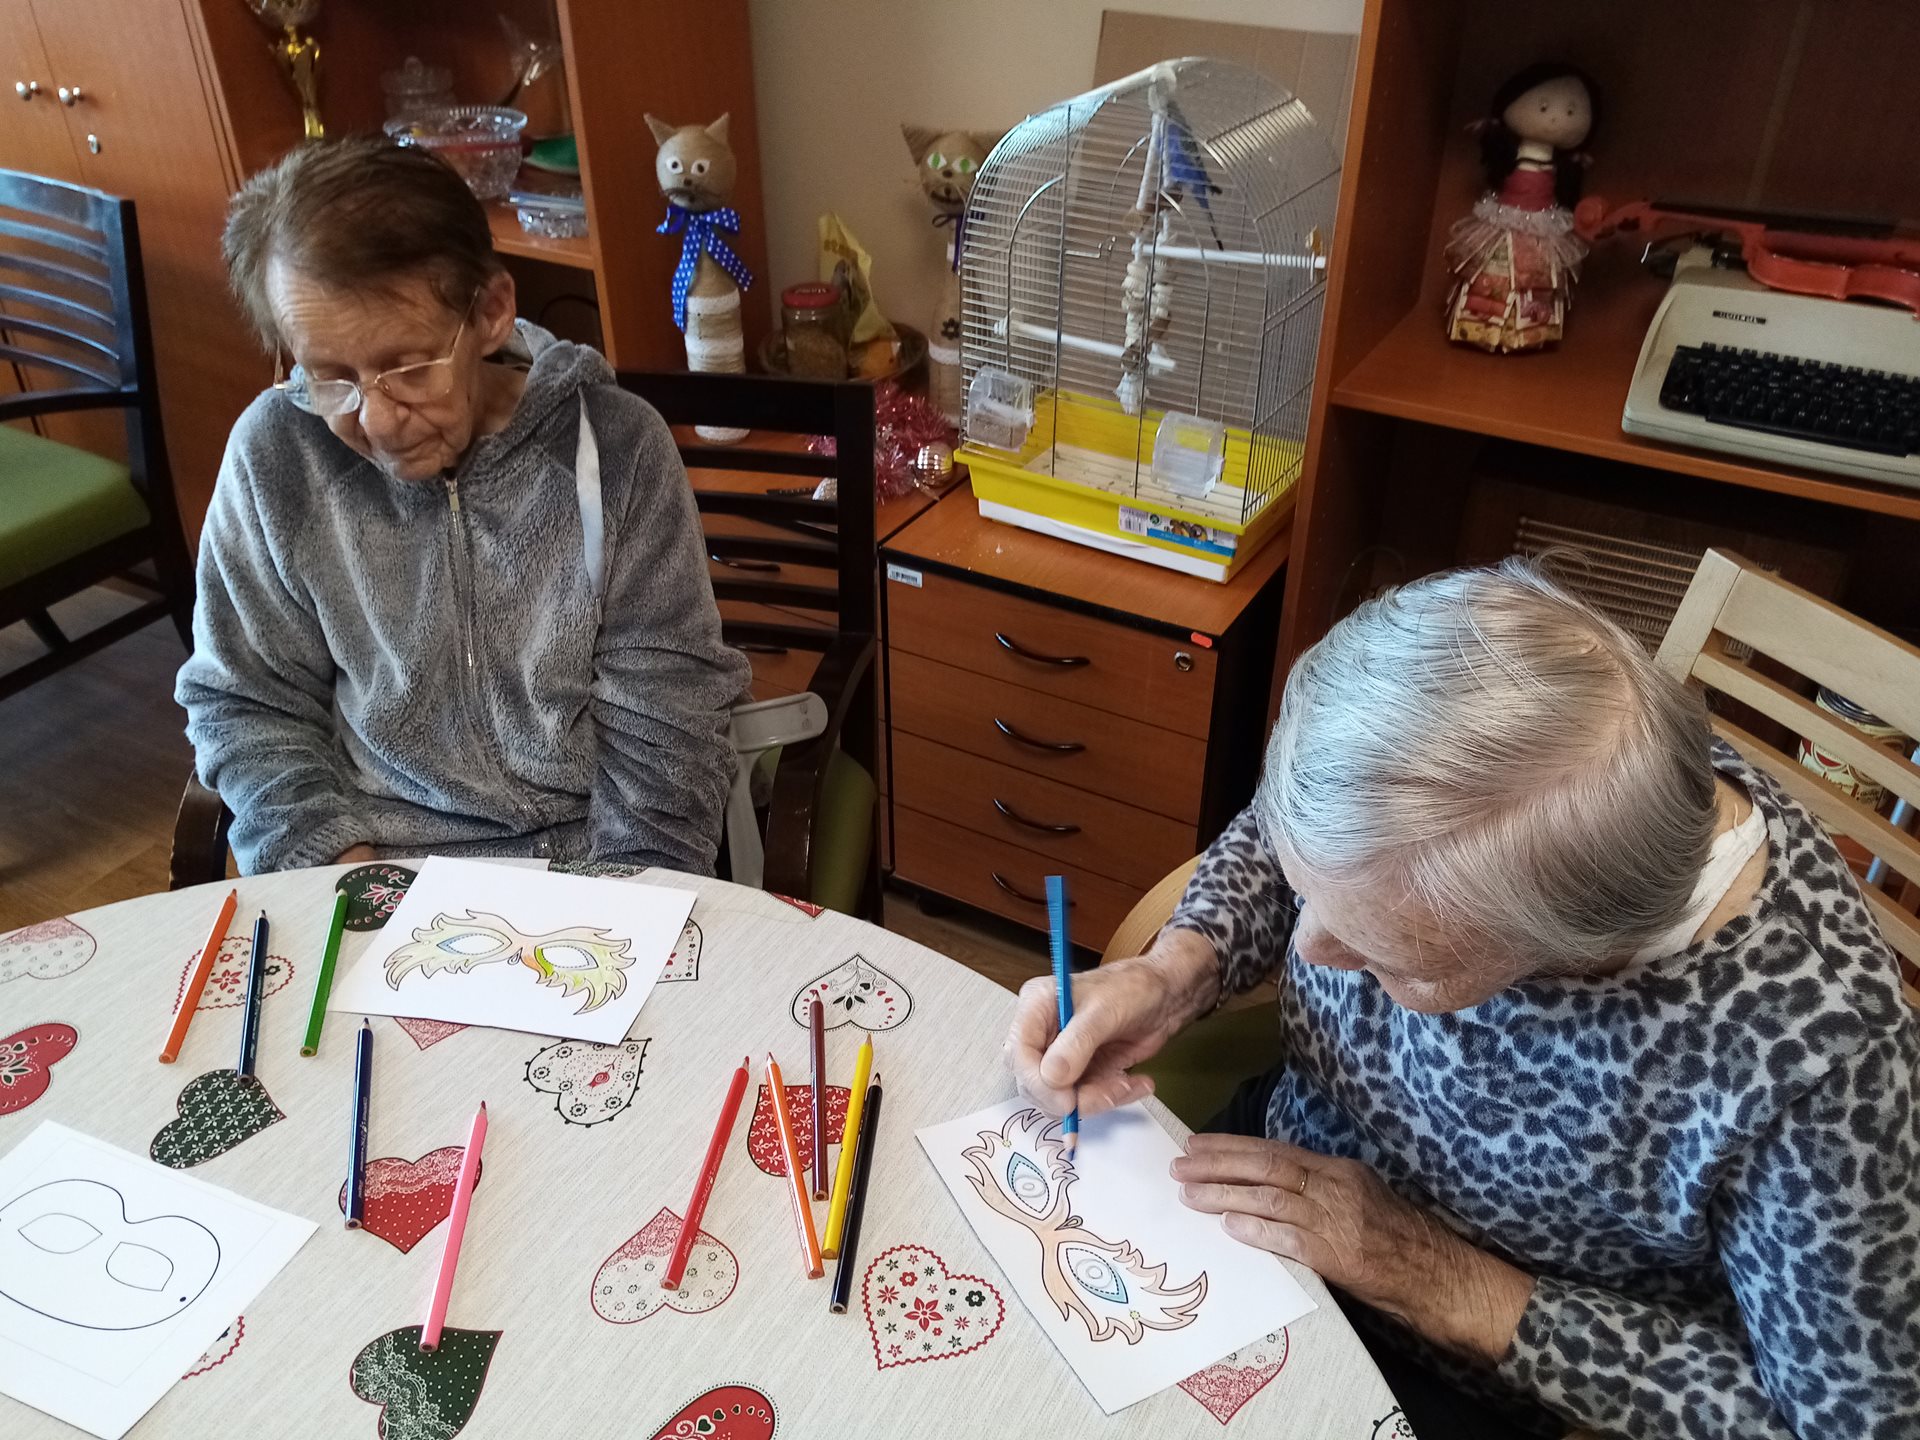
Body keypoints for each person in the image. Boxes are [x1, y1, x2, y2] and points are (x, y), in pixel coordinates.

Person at [1008, 561, 1920, 1440]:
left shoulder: (1823, 1063)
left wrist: (1439, 1279)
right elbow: (1316, 839)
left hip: (1464, 1372)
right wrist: (1179, 971)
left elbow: (1845, 1422)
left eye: (1388, 955)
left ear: (1576, 955)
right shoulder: (1510, 717)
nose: (1309, 949)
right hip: (1273, 1166)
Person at [177, 138, 749, 875]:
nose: (377, 421)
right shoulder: (277, 455)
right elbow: (248, 702)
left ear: (492, 311)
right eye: (331, 378)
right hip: (379, 866)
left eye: (409, 368)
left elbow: (667, 719)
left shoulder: (615, 447)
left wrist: (623, 907)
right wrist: (339, 873)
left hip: (594, 864)